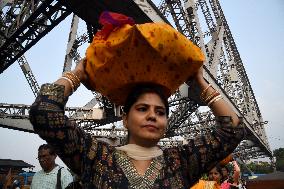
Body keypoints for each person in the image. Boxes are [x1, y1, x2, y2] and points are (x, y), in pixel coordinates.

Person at [29, 54, 245, 188]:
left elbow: (233, 130)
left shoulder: (181, 161)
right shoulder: (97, 157)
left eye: (160, 112)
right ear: (125, 118)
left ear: (166, 122)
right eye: (142, 109)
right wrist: (77, 74)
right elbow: (44, 113)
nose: (152, 115)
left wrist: (200, 82)